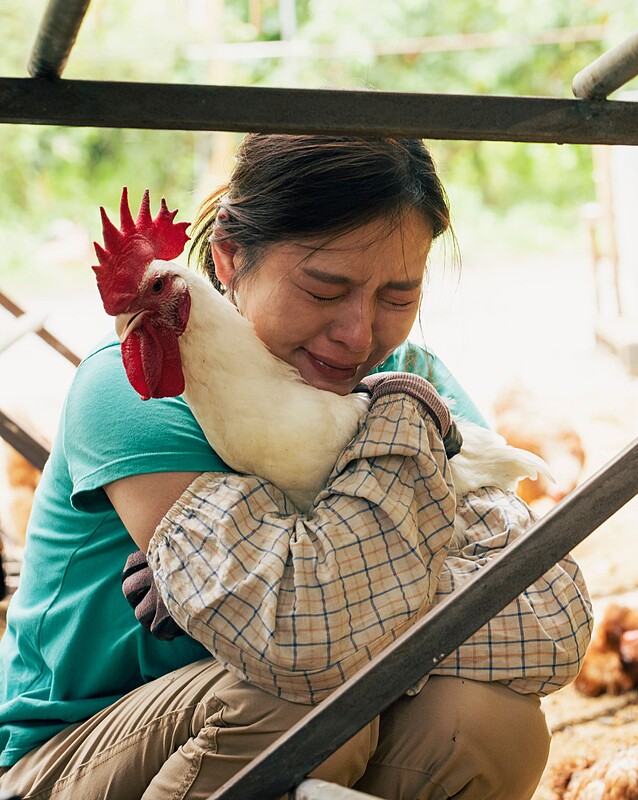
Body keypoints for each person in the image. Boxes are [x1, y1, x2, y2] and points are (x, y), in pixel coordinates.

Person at [0, 134, 593, 799]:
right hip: (75, 755)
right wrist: (403, 567)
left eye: (397, 297)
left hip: (270, 727)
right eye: (323, 289)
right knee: (301, 704)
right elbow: (301, 645)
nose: (358, 334)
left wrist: (233, 588)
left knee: (486, 724)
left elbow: (550, 612)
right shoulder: (138, 393)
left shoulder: (408, 385)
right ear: (228, 257)